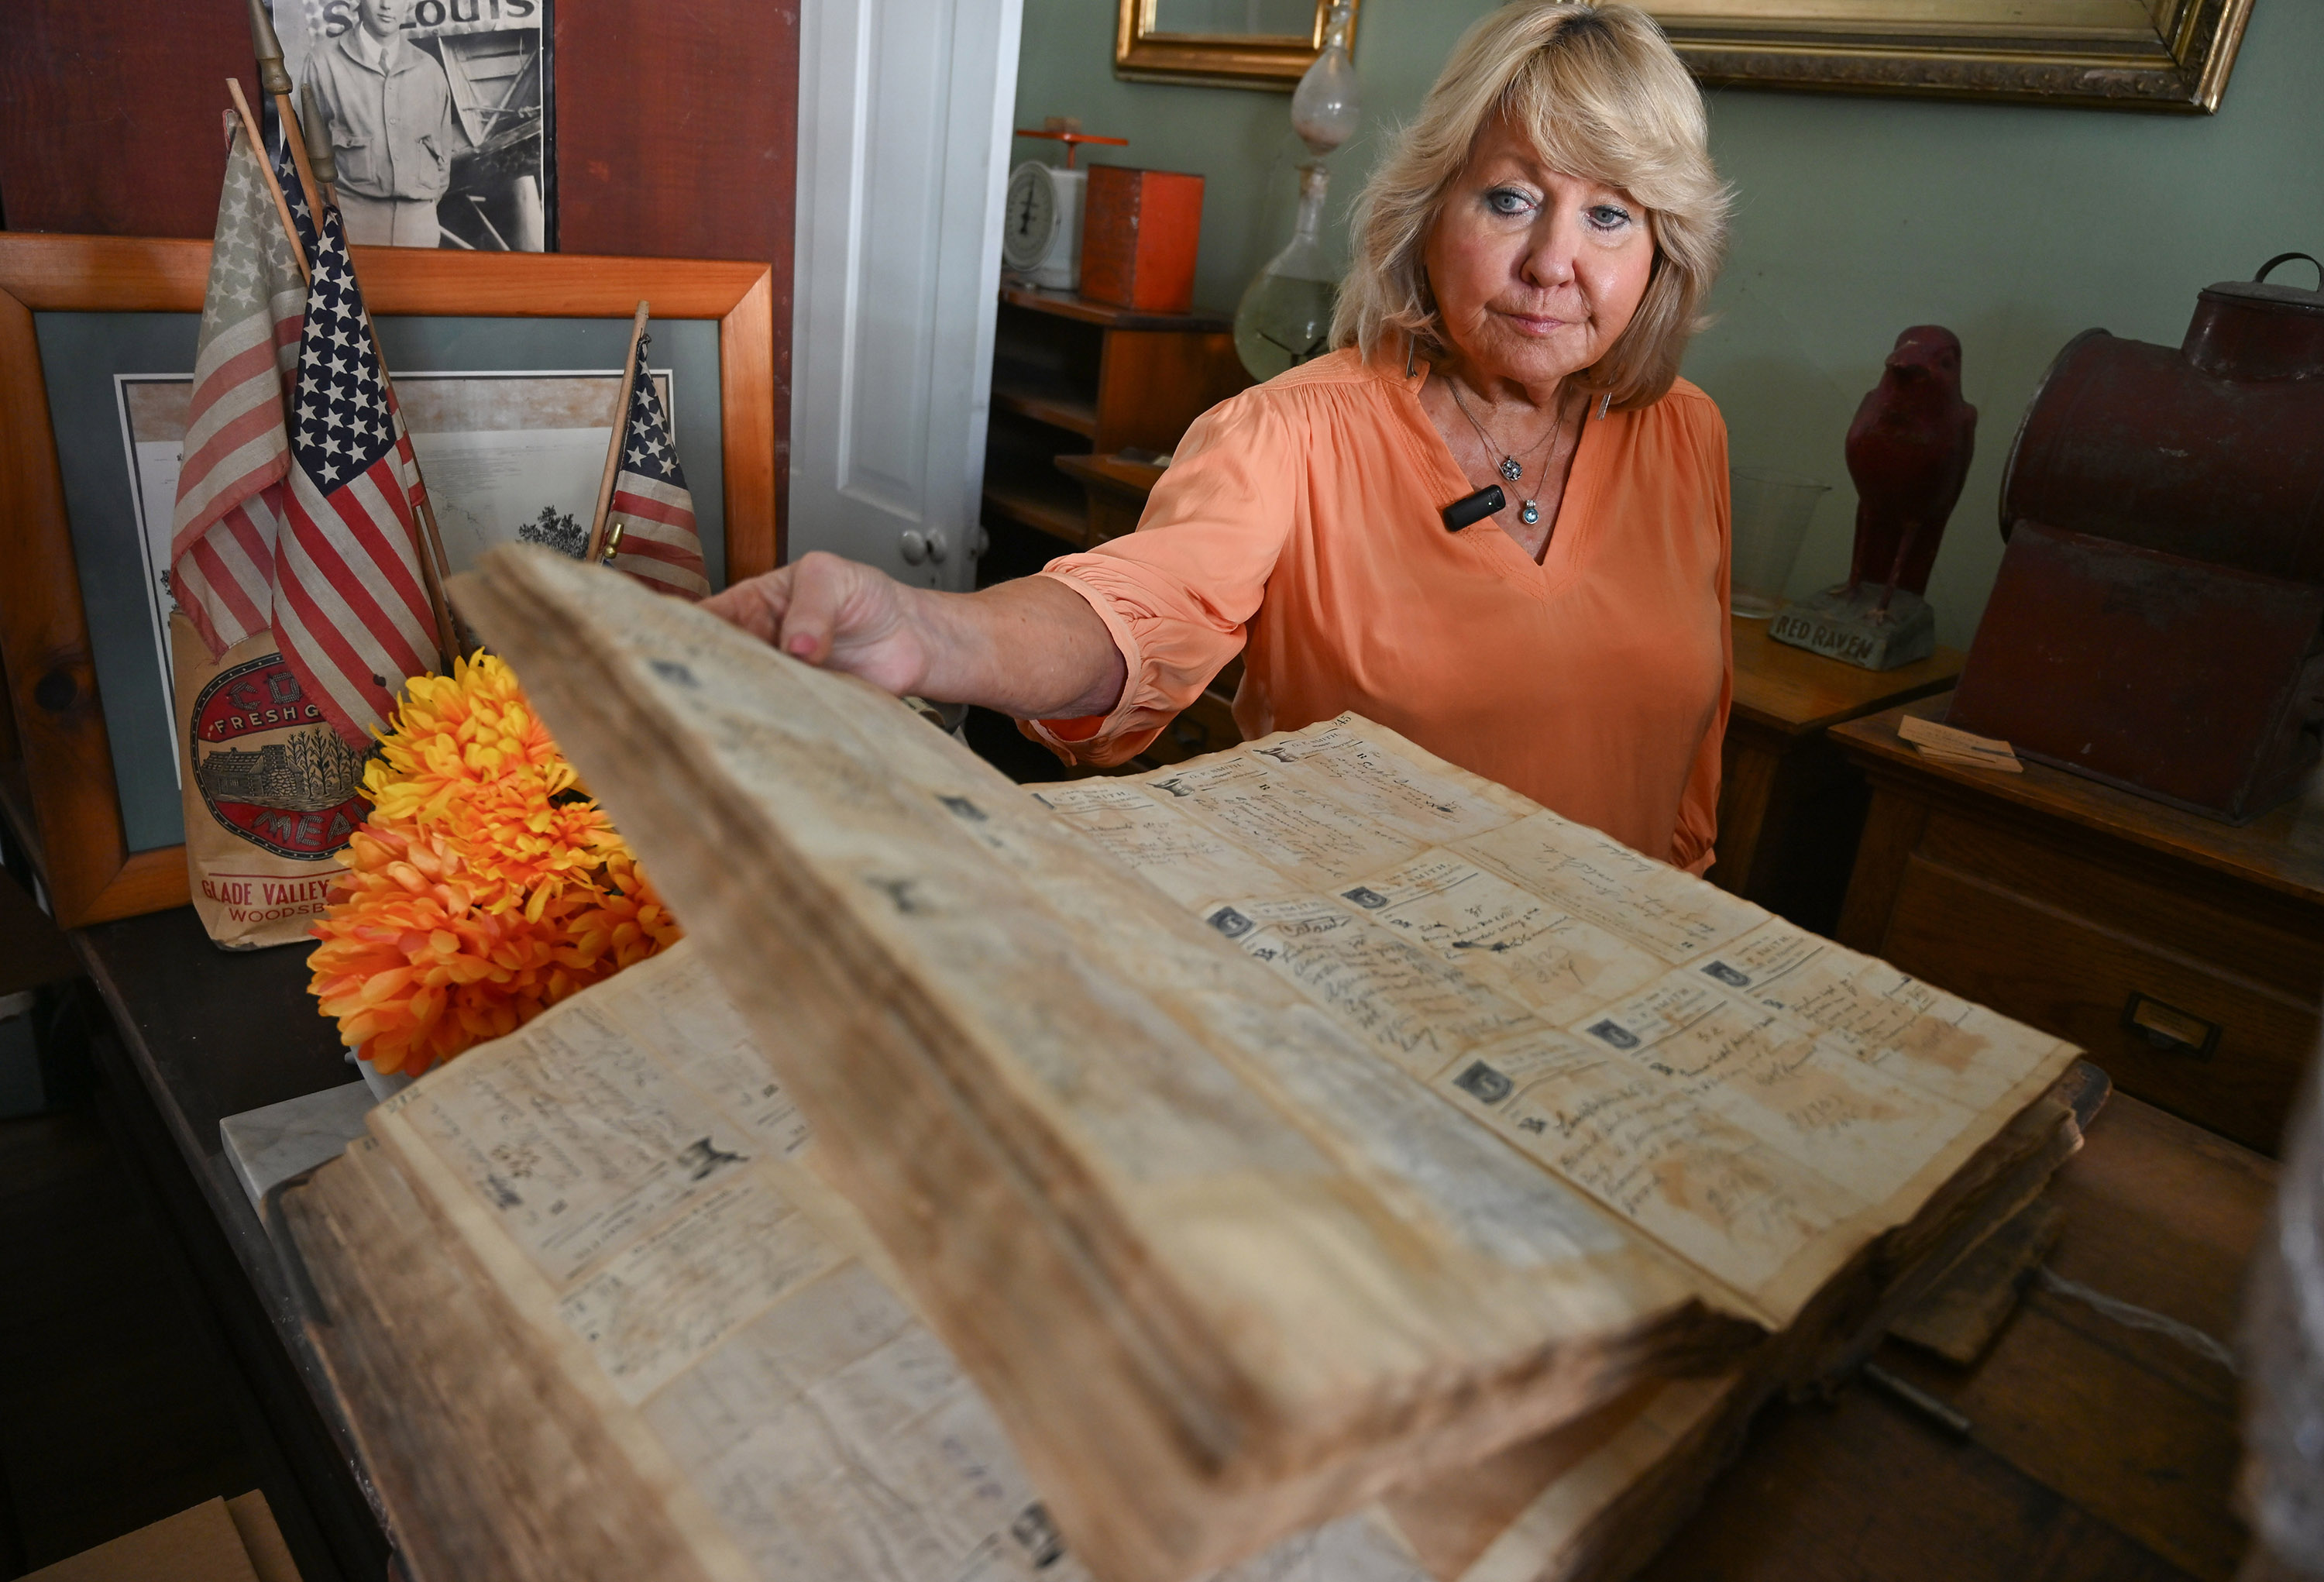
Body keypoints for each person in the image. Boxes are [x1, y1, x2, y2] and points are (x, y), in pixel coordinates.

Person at [708, 2, 1734, 872]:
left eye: (1612, 215)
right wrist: (927, 634)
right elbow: (1134, 609)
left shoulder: (1687, 436)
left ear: (1663, 249)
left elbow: (1688, 776)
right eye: (1511, 199)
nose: (1554, 261)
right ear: (1430, 216)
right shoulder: (1286, 433)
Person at [301, 0, 468, 247]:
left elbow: (442, 160)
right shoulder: (323, 62)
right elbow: (302, 153)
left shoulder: (429, 70)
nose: (386, 6)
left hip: (419, 229)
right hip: (351, 226)